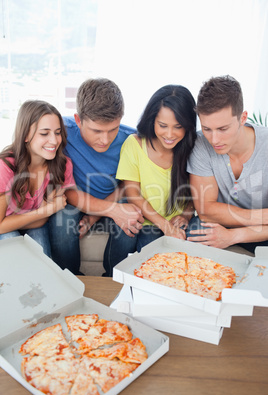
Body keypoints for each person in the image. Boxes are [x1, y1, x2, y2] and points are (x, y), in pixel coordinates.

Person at [49, 78, 144, 274]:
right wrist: (108, 211)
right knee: (61, 224)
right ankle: (71, 277)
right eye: (96, 131)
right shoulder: (61, 133)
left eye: (113, 130)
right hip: (73, 201)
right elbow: (67, 191)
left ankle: (113, 278)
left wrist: (99, 214)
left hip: (114, 199)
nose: (105, 140)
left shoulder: (131, 139)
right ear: (78, 120)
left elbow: (127, 185)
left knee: (132, 220)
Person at [103, 84, 197, 275]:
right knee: (131, 239)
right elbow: (133, 194)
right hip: (145, 219)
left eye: (178, 127)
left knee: (155, 267)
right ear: (152, 119)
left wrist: (185, 215)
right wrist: (165, 226)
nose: (169, 135)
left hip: (170, 224)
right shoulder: (135, 144)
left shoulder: (192, 147)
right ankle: (110, 275)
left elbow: (193, 193)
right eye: (163, 126)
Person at [186, 75, 268, 253]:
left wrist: (235, 236)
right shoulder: (201, 144)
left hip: (261, 233)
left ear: (242, 118)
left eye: (223, 129)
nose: (214, 139)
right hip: (223, 224)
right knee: (195, 231)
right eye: (207, 129)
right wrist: (260, 216)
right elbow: (206, 210)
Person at [0, 100, 75, 257]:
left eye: (57, 132)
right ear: (26, 135)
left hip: (32, 223)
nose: (54, 141)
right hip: (6, 228)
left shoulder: (62, 164)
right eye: (44, 133)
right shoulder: (5, 166)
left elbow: (41, 221)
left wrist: (44, 212)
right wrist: (46, 210)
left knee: (40, 250)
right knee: (12, 242)